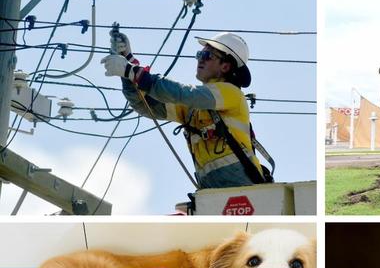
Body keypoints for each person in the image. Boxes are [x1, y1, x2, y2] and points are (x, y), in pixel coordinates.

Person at [100, 31, 265, 189]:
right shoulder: (193, 109)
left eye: (207, 56)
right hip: (212, 190)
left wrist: (132, 71)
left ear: (225, 66)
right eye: (199, 55)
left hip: (245, 185)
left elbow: (183, 93)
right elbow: (145, 105)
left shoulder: (231, 94)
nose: (200, 60)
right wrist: (127, 66)